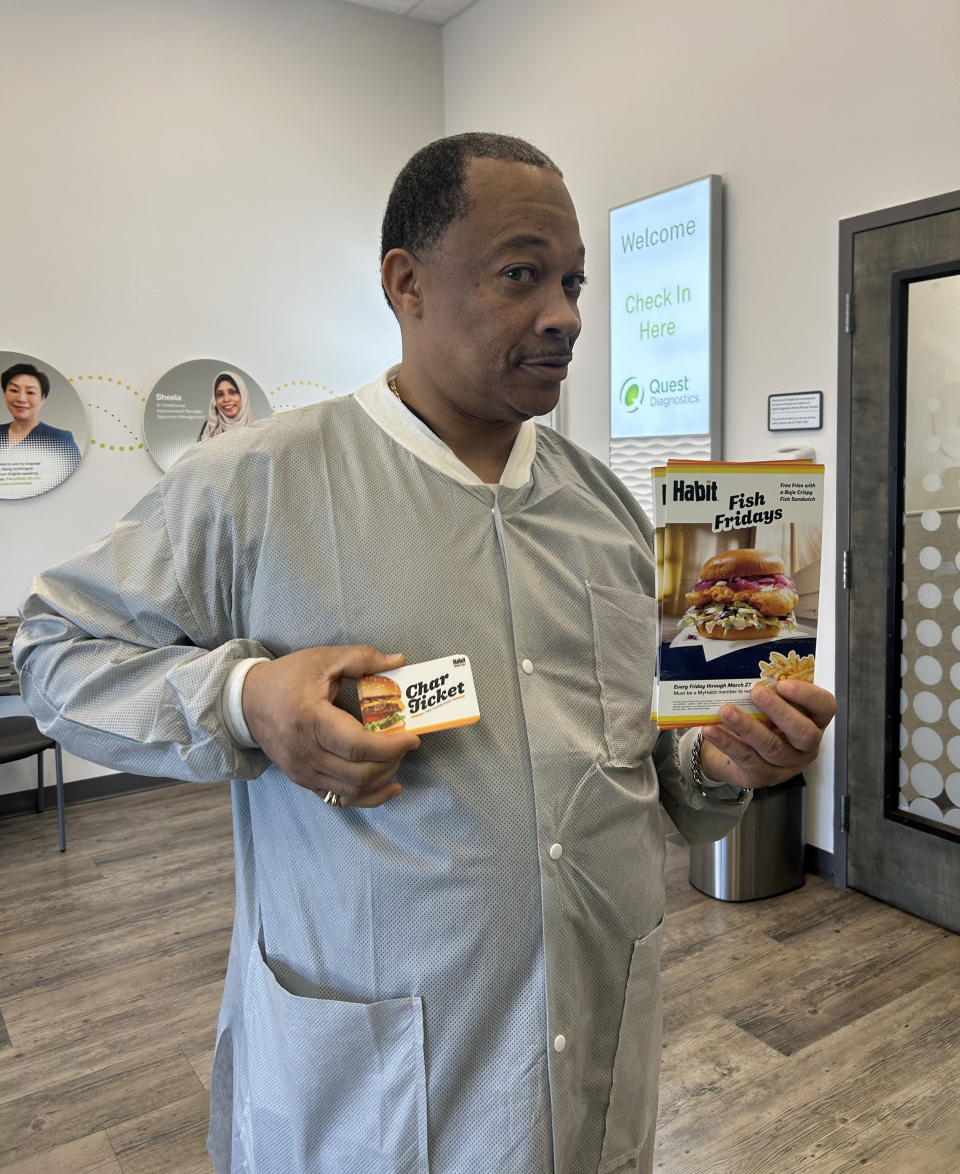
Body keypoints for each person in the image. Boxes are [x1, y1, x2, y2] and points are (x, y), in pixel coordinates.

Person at [15, 134, 836, 1174]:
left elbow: (631, 749)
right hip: (374, 1077)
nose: (566, 314)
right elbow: (55, 650)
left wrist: (717, 761)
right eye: (522, 274)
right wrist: (246, 696)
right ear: (406, 284)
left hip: (594, 1041)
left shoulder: (608, 510)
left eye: (575, 282)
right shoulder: (259, 482)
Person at [1, 362, 81, 465]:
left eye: (30, 392)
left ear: (42, 398)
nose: (21, 398)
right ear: (5, 394)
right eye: (14, 390)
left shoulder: (59, 440)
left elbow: (79, 474)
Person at [198, 370, 254, 441]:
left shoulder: (256, 432)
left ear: (243, 396)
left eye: (232, 392)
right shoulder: (209, 429)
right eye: (220, 394)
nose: (226, 399)